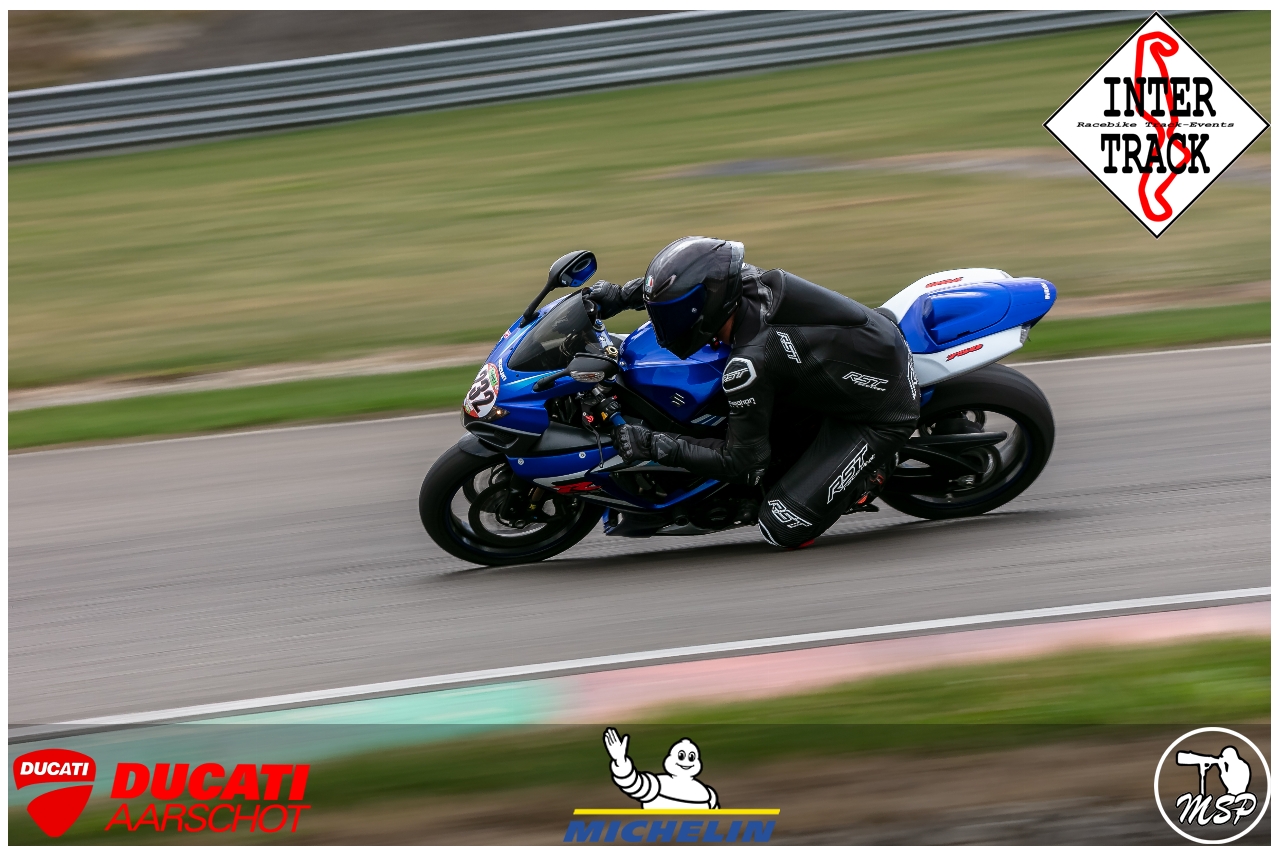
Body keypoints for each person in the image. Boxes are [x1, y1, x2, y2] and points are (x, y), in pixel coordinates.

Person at [587, 236, 919, 548]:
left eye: (671, 316)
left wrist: (652, 445)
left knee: (781, 525)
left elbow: (744, 464)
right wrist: (622, 295)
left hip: (881, 412)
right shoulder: (738, 282)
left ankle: (872, 472)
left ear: (705, 309)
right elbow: (687, 286)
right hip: (860, 356)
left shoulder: (751, 363)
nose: (665, 324)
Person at [603, 727, 718, 809]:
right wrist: (620, 761)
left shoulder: (708, 794)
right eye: (681, 756)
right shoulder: (657, 785)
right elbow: (632, 783)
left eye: (691, 757)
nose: (686, 762)